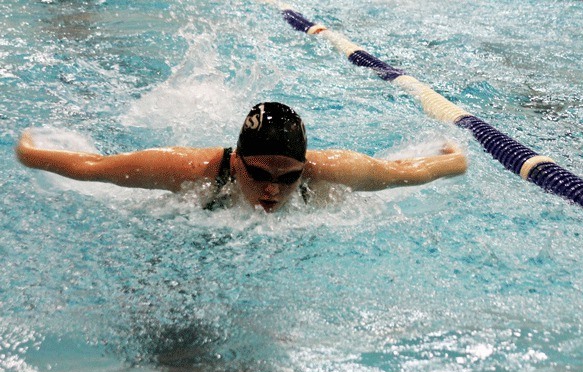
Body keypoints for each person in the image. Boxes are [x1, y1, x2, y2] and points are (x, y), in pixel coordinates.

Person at [16, 102, 467, 212]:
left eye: (288, 178)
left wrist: (453, 160)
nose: (272, 188)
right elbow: (96, 169)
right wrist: (29, 154)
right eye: (257, 172)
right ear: (235, 162)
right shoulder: (189, 169)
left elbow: (403, 173)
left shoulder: (331, 170)